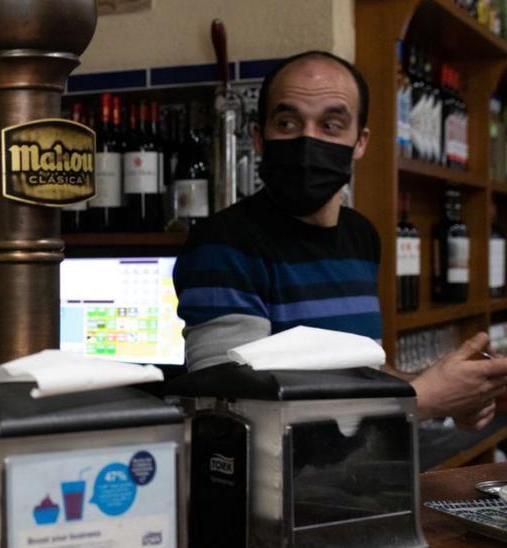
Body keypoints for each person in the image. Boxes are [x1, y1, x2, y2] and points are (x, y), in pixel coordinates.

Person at [174, 50, 507, 431]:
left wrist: (446, 392)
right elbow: (229, 410)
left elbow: (360, 373)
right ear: (259, 138)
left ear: (360, 142)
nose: (308, 140)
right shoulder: (222, 245)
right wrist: (423, 400)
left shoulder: (361, 236)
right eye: (287, 122)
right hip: (275, 489)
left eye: (331, 125)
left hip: (355, 479)